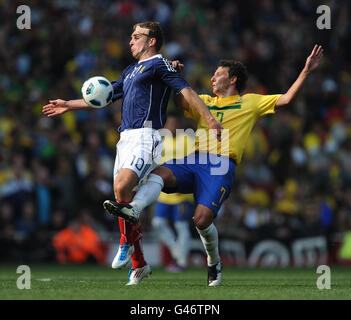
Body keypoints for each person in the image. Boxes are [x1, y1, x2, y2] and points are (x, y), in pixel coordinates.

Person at [103, 45, 324, 286]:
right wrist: (175, 75)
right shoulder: (205, 101)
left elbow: (287, 98)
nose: (212, 77)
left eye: (218, 74)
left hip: (220, 167)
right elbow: (180, 102)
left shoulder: (250, 102)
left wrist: (305, 71)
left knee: (201, 220)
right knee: (160, 173)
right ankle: (134, 208)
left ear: (233, 78)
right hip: (194, 159)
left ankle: (214, 261)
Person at [42, 21, 222, 285]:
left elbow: (187, 91)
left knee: (122, 185)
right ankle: (139, 264)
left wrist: (209, 120)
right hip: (124, 139)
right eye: (130, 36)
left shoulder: (160, 65)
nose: (130, 41)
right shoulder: (129, 70)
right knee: (121, 196)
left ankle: (125, 241)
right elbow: (105, 96)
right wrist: (68, 104)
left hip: (147, 135)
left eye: (136, 36)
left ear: (151, 41)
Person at [152, 114, 194, 271]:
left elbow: (192, 164)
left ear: (179, 124)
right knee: (157, 224)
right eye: (168, 123)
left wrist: (182, 184)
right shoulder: (162, 141)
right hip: (164, 192)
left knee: (181, 225)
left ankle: (181, 263)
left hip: (181, 194)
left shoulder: (187, 140)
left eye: (174, 123)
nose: (171, 126)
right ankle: (178, 252)